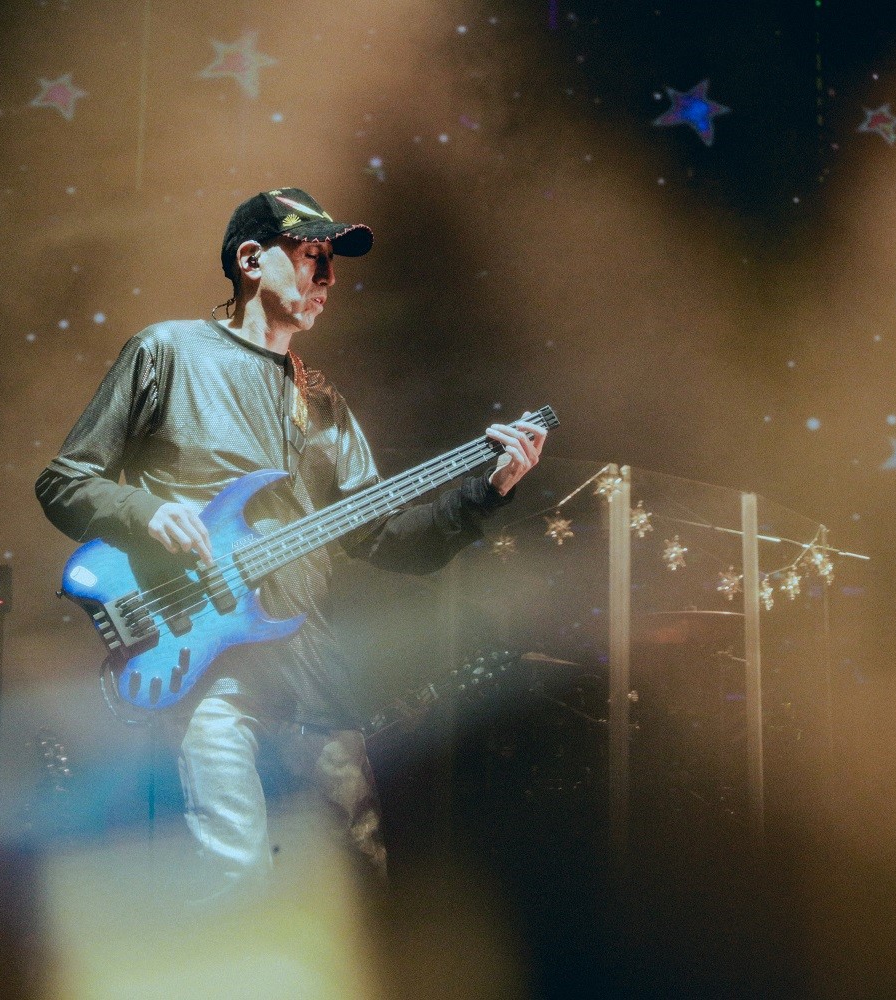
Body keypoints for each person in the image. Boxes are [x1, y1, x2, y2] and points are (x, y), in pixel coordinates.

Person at [36, 187, 545, 899]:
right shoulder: (166, 352)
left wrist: (487, 492)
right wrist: (146, 511)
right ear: (251, 259)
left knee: (355, 882)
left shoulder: (325, 406)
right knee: (237, 875)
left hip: (312, 676)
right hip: (208, 666)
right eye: (313, 257)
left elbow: (392, 542)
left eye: (333, 264)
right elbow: (64, 480)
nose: (329, 281)